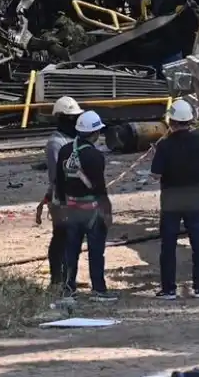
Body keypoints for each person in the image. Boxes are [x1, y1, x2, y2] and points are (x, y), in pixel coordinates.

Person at [151, 100, 199, 299]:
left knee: (168, 245)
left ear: (171, 121)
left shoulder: (165, 146)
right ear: (190, 120)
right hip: (195, 198)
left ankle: (169, 289)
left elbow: (155, 173)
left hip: (171, 200)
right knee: (198, 244)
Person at [55, 110, 117, 301]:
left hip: (71, 209)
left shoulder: (65, 151)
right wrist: (107, 211)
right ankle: (98, 289)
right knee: (96, 251)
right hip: (92, 211)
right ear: (95, 133)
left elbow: (59, 181)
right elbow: (99, 188)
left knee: (70, 251)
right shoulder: (95, 156)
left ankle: (68, 288)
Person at [35, 96, 81, 287]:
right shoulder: (56, 143)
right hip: (63, 199)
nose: (74, 121)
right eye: (71, 118)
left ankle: (69, 278)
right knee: (61, 238)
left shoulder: (75, 139)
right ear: (61, 118)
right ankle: (57, 279)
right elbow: (57, 176)